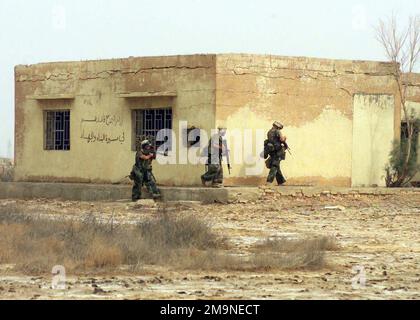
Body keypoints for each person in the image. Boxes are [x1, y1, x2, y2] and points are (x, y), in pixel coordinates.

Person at [265, 121, 287, 185]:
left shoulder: (269, 132)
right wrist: (285, 138)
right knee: (274, 165)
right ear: (278, 127)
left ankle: (281, 181)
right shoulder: (277, 131)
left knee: (276, 165)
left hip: (272, 151)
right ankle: (269, 181)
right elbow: (282, 139)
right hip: (278, 151)